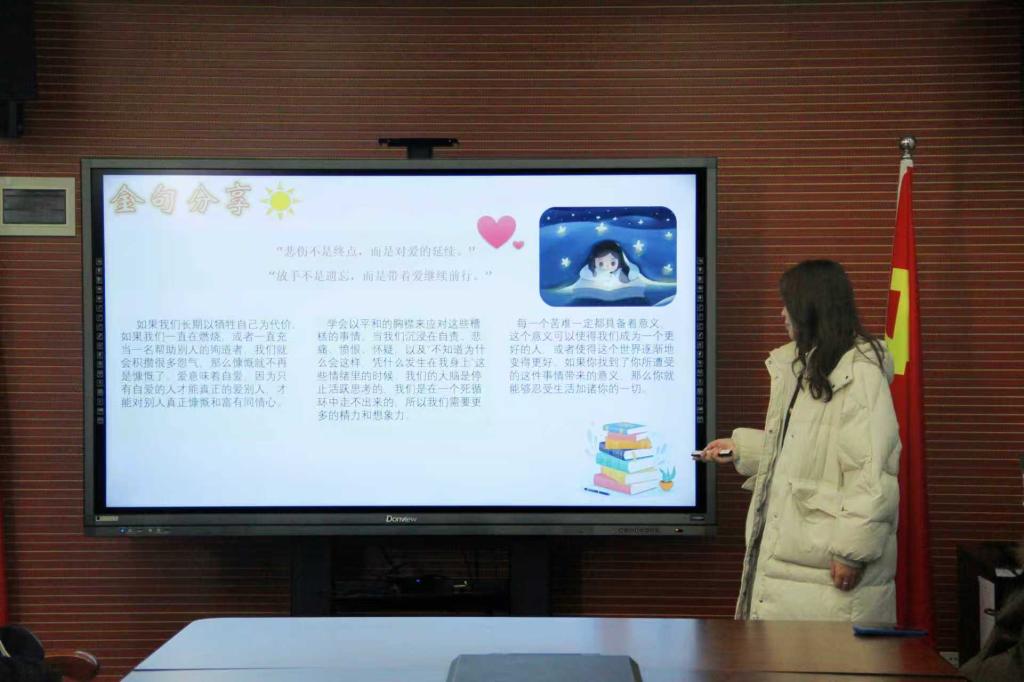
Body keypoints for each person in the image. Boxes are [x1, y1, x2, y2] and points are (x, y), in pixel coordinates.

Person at [697, 259, 900, 622]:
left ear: (811, 308)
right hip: (797, 566)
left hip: (825, 570)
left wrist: (851, 553)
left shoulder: (859, 374)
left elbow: (872, 474)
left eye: (787, 304)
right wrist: (741, 449)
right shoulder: (806, 365)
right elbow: (807, 447)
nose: (782, 313)